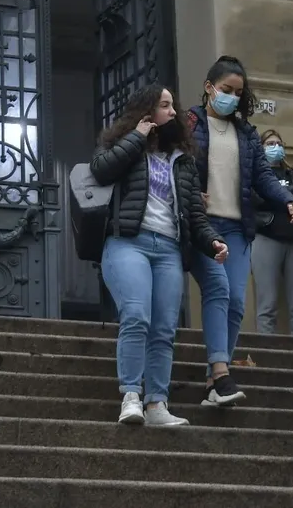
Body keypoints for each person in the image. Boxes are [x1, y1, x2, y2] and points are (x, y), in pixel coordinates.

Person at [91, 83, 229, 427]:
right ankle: (131, 396)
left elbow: (194, 214)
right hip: (128, 243)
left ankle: (157, 404)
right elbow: (101, 169)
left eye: (171, 105)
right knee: (137, 315)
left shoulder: (182, 159)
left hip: (168, 248)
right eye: (164, 105)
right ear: (147, 110)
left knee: (165, 329)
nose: (172, 111)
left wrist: (213, 241)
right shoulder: (122, 143)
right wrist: (137, 137)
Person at [187, 56, 293, 407]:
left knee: (236, 302)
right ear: (209, 87)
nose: (233, 98)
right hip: (203, 226)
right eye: (227, 90)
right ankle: (221, 372)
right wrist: (191, 192)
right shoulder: (190, 124)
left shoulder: (247, 133)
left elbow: (263, 176)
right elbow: (178, 165)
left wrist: (286, 198)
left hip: (237, 227)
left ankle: (214, 380)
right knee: (218, 291)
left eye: (239, 93)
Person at [251, 129, 293, 336]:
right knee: (266, 304)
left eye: (279, 143)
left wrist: (277, 193)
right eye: (270, 144)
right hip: (267, 239)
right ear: (260, 148)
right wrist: (286, 195)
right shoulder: (256, 175)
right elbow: (256, 197)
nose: (275, 147)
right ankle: (265, 351)